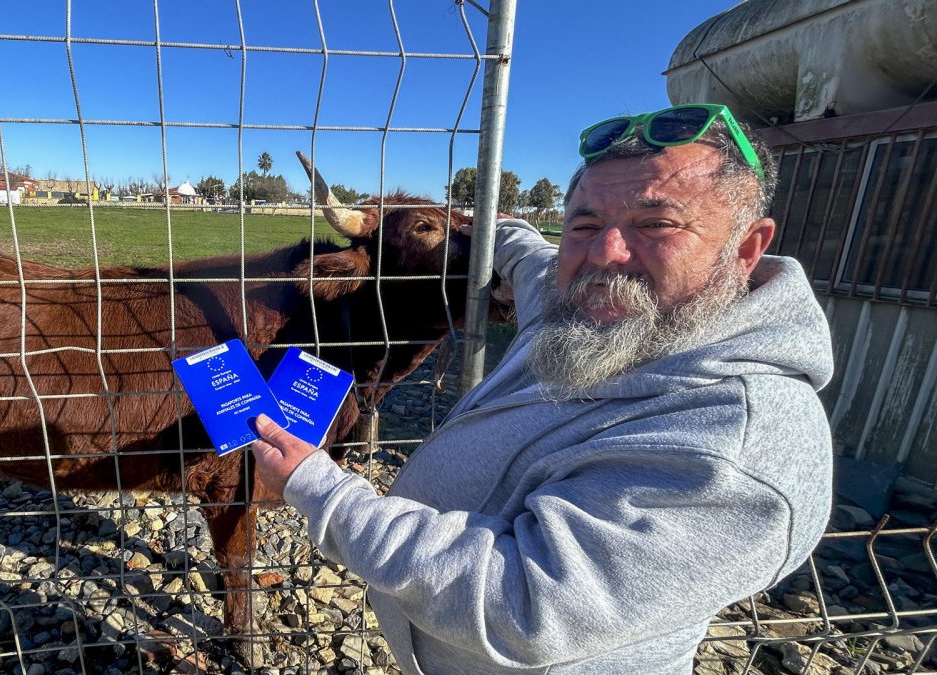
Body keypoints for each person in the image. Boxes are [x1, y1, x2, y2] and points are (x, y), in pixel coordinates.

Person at [251, 103, 834, 674]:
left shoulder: (736, 444)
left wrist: (324, 491)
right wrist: (493, 233)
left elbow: (523, 605)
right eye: (584, 224)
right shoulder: (587, 316)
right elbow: (533, 259)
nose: (605, 254)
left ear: (747, 248)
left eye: (657, 223)